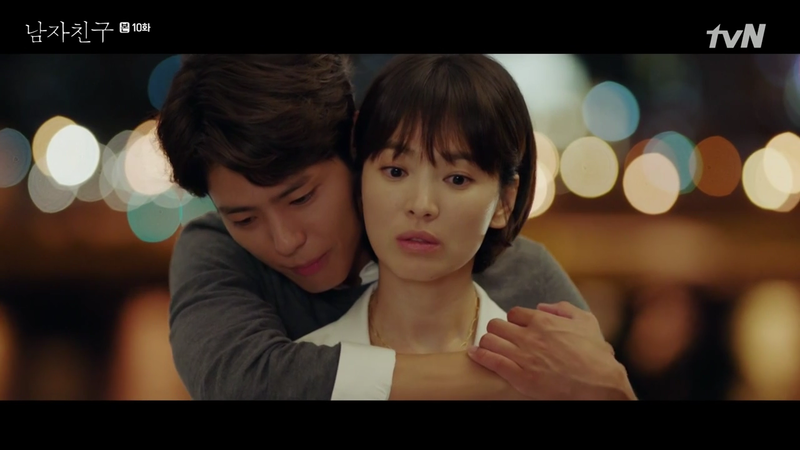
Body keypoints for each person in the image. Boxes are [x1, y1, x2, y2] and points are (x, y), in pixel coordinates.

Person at [156, 54, 636, 400]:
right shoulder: (220, 251)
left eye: (302, 198)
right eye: (244, 218)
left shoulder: (520, 274)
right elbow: (241, 380)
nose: (286, 241)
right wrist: (523, 381)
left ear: (356, 146)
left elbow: (595, 376)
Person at [297, 54, 535, 373]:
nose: (421, 205)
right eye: (395, 171)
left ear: (505, 201)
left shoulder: (543, 376)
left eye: (457, 179)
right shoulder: (303, 373)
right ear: (360, 180)